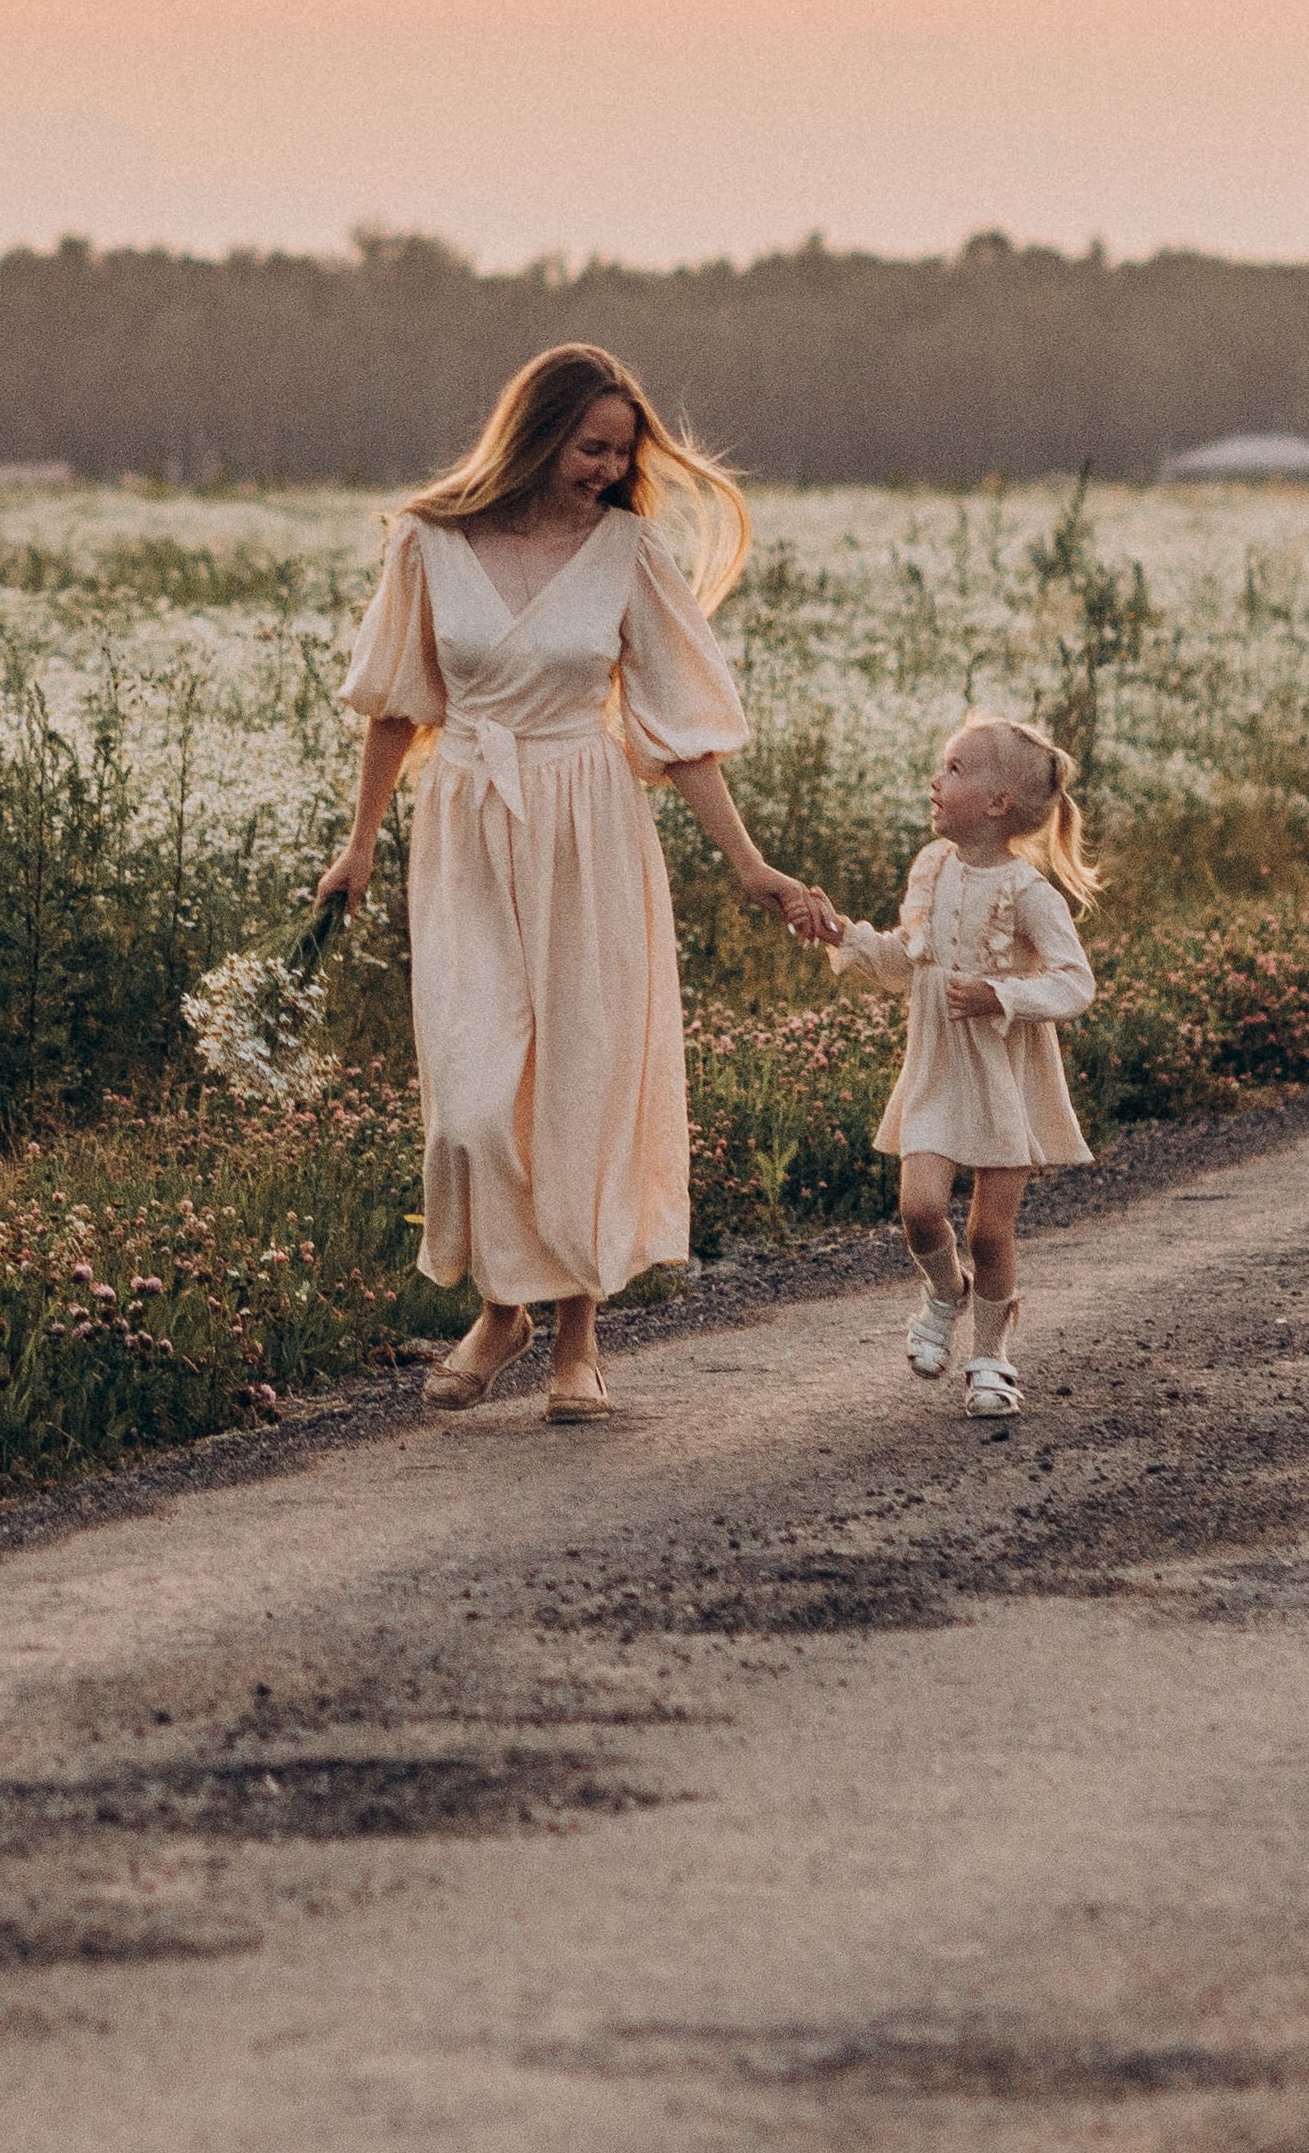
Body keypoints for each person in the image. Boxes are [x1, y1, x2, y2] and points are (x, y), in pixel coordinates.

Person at [318, 343, 836, 1424]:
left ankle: (573, 1337)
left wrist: (748, 865)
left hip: (588, 824)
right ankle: (503, 1304)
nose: (607, 468)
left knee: (582, 1081)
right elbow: (395, 707)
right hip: (464, 822)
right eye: (591, 446)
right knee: (470, 1098)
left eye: (621, 453)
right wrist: (357, 842)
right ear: (537, 430)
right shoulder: (428, 540)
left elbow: (680, 730)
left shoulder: (625, 552)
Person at [803, 716, 1099, 1418]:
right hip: (937, 1066)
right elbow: (908, 960)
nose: (936, 781)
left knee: (989, 1231)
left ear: (998, 802)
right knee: (919, 1209)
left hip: (1005, 1078)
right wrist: (843, 931)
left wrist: (1004, 993)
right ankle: (946, 1293)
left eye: (956, 769)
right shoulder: (932, 867)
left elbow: (1075, 982)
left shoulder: (1030, 893)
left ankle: (992, 1354)